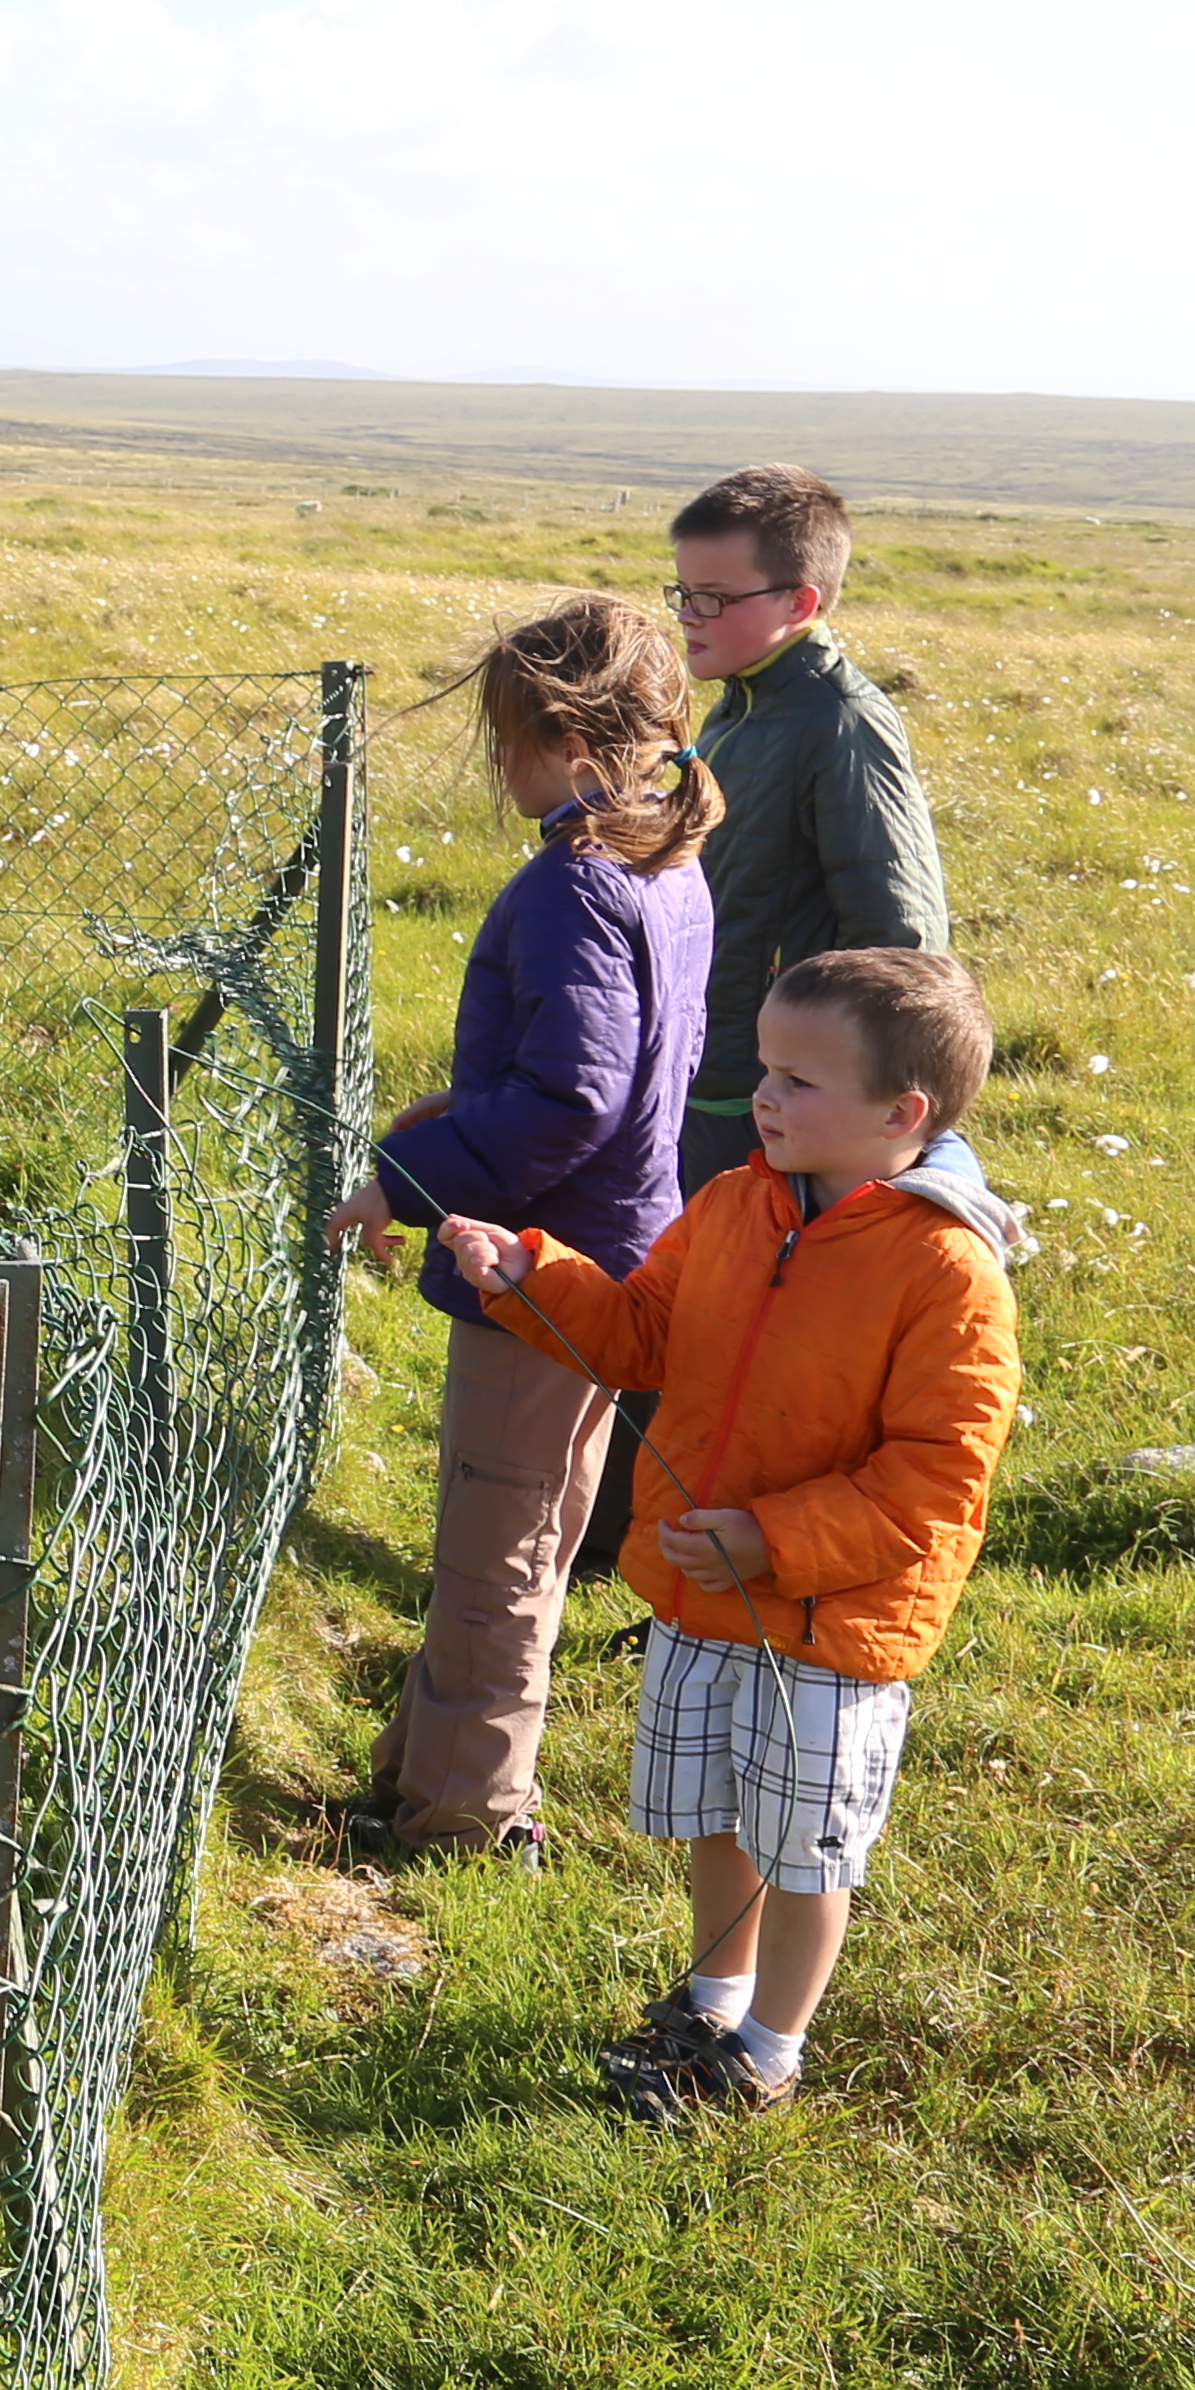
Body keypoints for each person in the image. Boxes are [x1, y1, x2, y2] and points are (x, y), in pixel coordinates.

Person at [435, 948, 1026, 2119]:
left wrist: (772, 1539)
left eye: (799, 1081)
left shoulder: (949, 1276)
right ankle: (711, 2003)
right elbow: (642, 1336)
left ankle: (768, 2049)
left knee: (805, 1847)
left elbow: (938, 1478)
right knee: (710, 1809)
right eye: (763, 1067)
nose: (763, 1097)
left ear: (900, 1113)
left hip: (830, 1620)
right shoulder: (733, 1206)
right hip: (705, 1591)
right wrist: (530, 1277)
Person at [330, 592, 719, 1864]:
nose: (497, 764)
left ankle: (468, 1818)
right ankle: (423, 1774)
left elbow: (572, 1096)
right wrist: (456, 1110)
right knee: (530, 1526)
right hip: (615, 1249)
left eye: (507, 737)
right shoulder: (667, 864)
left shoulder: (574, 884)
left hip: (543, 1268)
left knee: (503, 1541)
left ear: (567, 739)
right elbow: (619, 1068)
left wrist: (406, 1172)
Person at [576, 462, 954, 1582]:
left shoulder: (841, 725)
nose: (690, 619)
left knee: (740, 1344)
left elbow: (903, 948)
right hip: (702, 1081)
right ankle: (620, 1548)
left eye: (717, 598)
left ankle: (702, 1562)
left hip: (766, 1104)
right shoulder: (744, 711)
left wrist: (838, 1112)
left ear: (803, 603)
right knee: (676, 1319)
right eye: (681, 592)